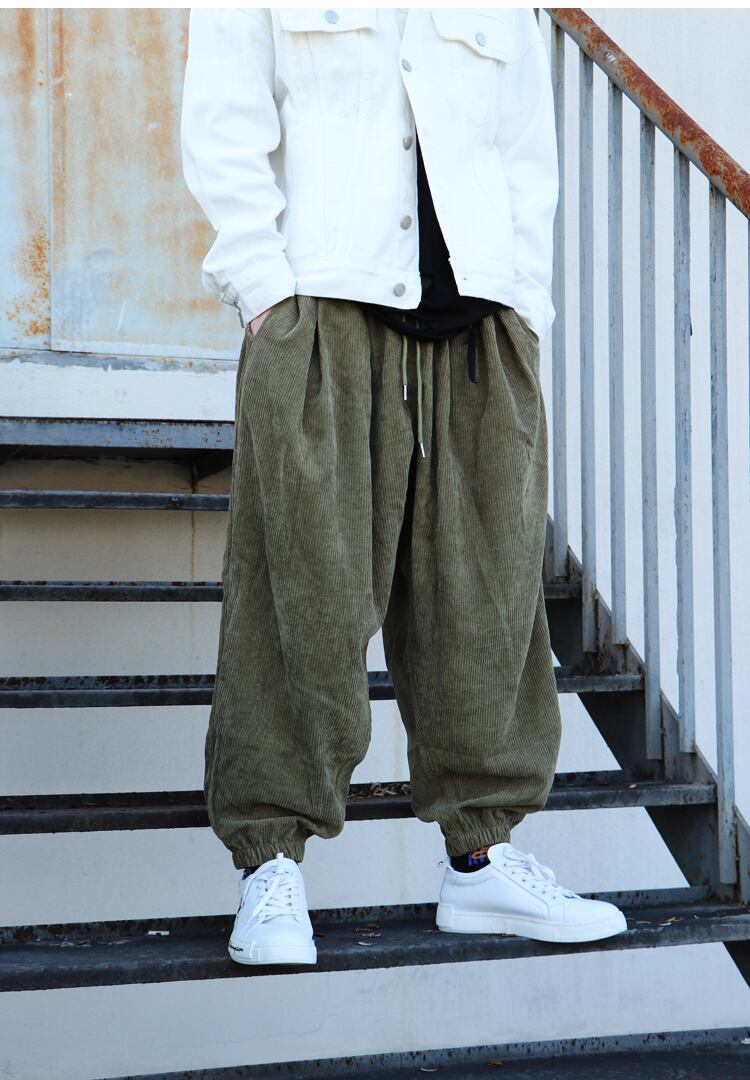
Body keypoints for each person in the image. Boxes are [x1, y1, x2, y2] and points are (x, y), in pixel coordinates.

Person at [180, 6, 627, 967]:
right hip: (321, 316)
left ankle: (482, 860)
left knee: (489, 600)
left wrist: (526, 307)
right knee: (300, 597)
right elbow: (224, 122)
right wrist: (263, 289)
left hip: (480, 329)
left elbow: (524, 153)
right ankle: (270, 865)